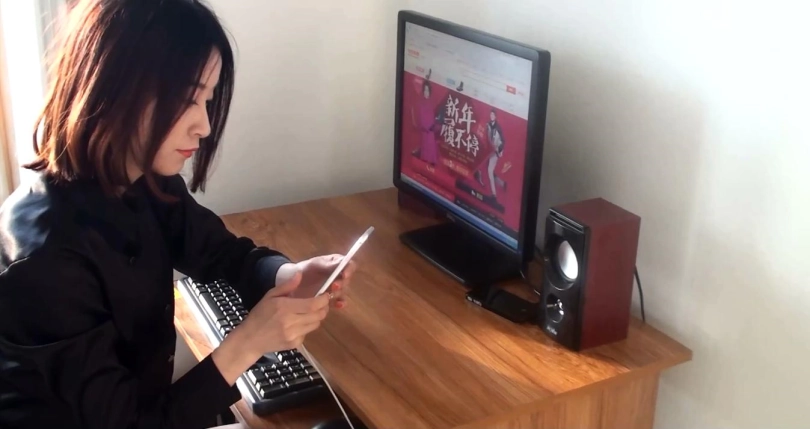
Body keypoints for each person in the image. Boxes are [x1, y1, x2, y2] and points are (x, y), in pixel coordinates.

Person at [0, 1, 355, 428]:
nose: (204, 126)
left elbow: (221, 253)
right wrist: (248, 344)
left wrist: (289, 275)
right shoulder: (44, 261)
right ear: (115, 87)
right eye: (188, 100)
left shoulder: (141, 178)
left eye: (207, 100)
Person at [474, 109, 507, 197]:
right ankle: (502, 183)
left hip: (495, 152)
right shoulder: (487, 125)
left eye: (493, 115)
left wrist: (497, 149)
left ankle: (493, 194)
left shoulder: (498, 128)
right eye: (491, 114)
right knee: (485, 167)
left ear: (495, 117)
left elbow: (503, 141)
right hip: (488, 151)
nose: (491, 116)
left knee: (489, 171)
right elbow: (484, 135)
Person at [410, 71, 439, 169]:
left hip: (430, 132)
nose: (426, 92)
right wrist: (426, 127)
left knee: (431, 153)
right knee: (425, 154)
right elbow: (420, 119)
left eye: (428, 90)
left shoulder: (431, 103)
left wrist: (433, 125)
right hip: (424, 132)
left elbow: (433, 118)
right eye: (425, 90)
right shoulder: (420, 103)